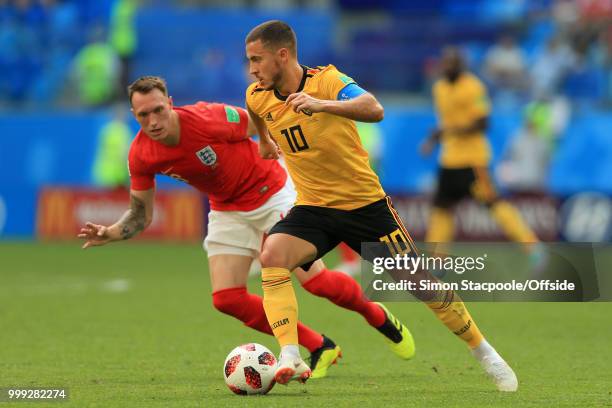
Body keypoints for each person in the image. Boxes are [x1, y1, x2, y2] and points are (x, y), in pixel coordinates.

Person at [77, 75, 414, 380]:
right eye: (142, 116)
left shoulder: (208, 117)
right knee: (226, 298)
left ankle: (375, 314)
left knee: (315, 282)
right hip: (227, 208)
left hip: (273, 193)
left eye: (157, 110)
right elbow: (141, 214)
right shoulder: (141, 154)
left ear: (170, 102)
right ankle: (320, 345)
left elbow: (257, 117)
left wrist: (269, 144)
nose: (152, 121)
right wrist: (111, 232)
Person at [245, 20, 517, 391]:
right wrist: (262, 141)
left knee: (421, 284)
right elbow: (258, 115)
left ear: (283, 55)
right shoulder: (257, 94)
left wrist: (321, 105)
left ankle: (484, 352)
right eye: (249, 61)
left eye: (257, 59)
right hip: (314, 208)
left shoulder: (327, 81)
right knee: (273, 255)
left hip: (365, 207)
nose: (252, 69)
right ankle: (289, 354)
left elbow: (375, 108)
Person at [421, 47, 544, 267]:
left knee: (494, 205)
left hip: (473, 161)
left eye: (452, 64)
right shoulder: (439, 88)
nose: (448, 67)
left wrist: (447, 132)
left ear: (461, 66)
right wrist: (433, 141)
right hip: (449, 160)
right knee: (441, 208)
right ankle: (436, 262)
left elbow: (483, 123)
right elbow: (445, 123)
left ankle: (532, 247)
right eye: (445, 63)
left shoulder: (473, 87)